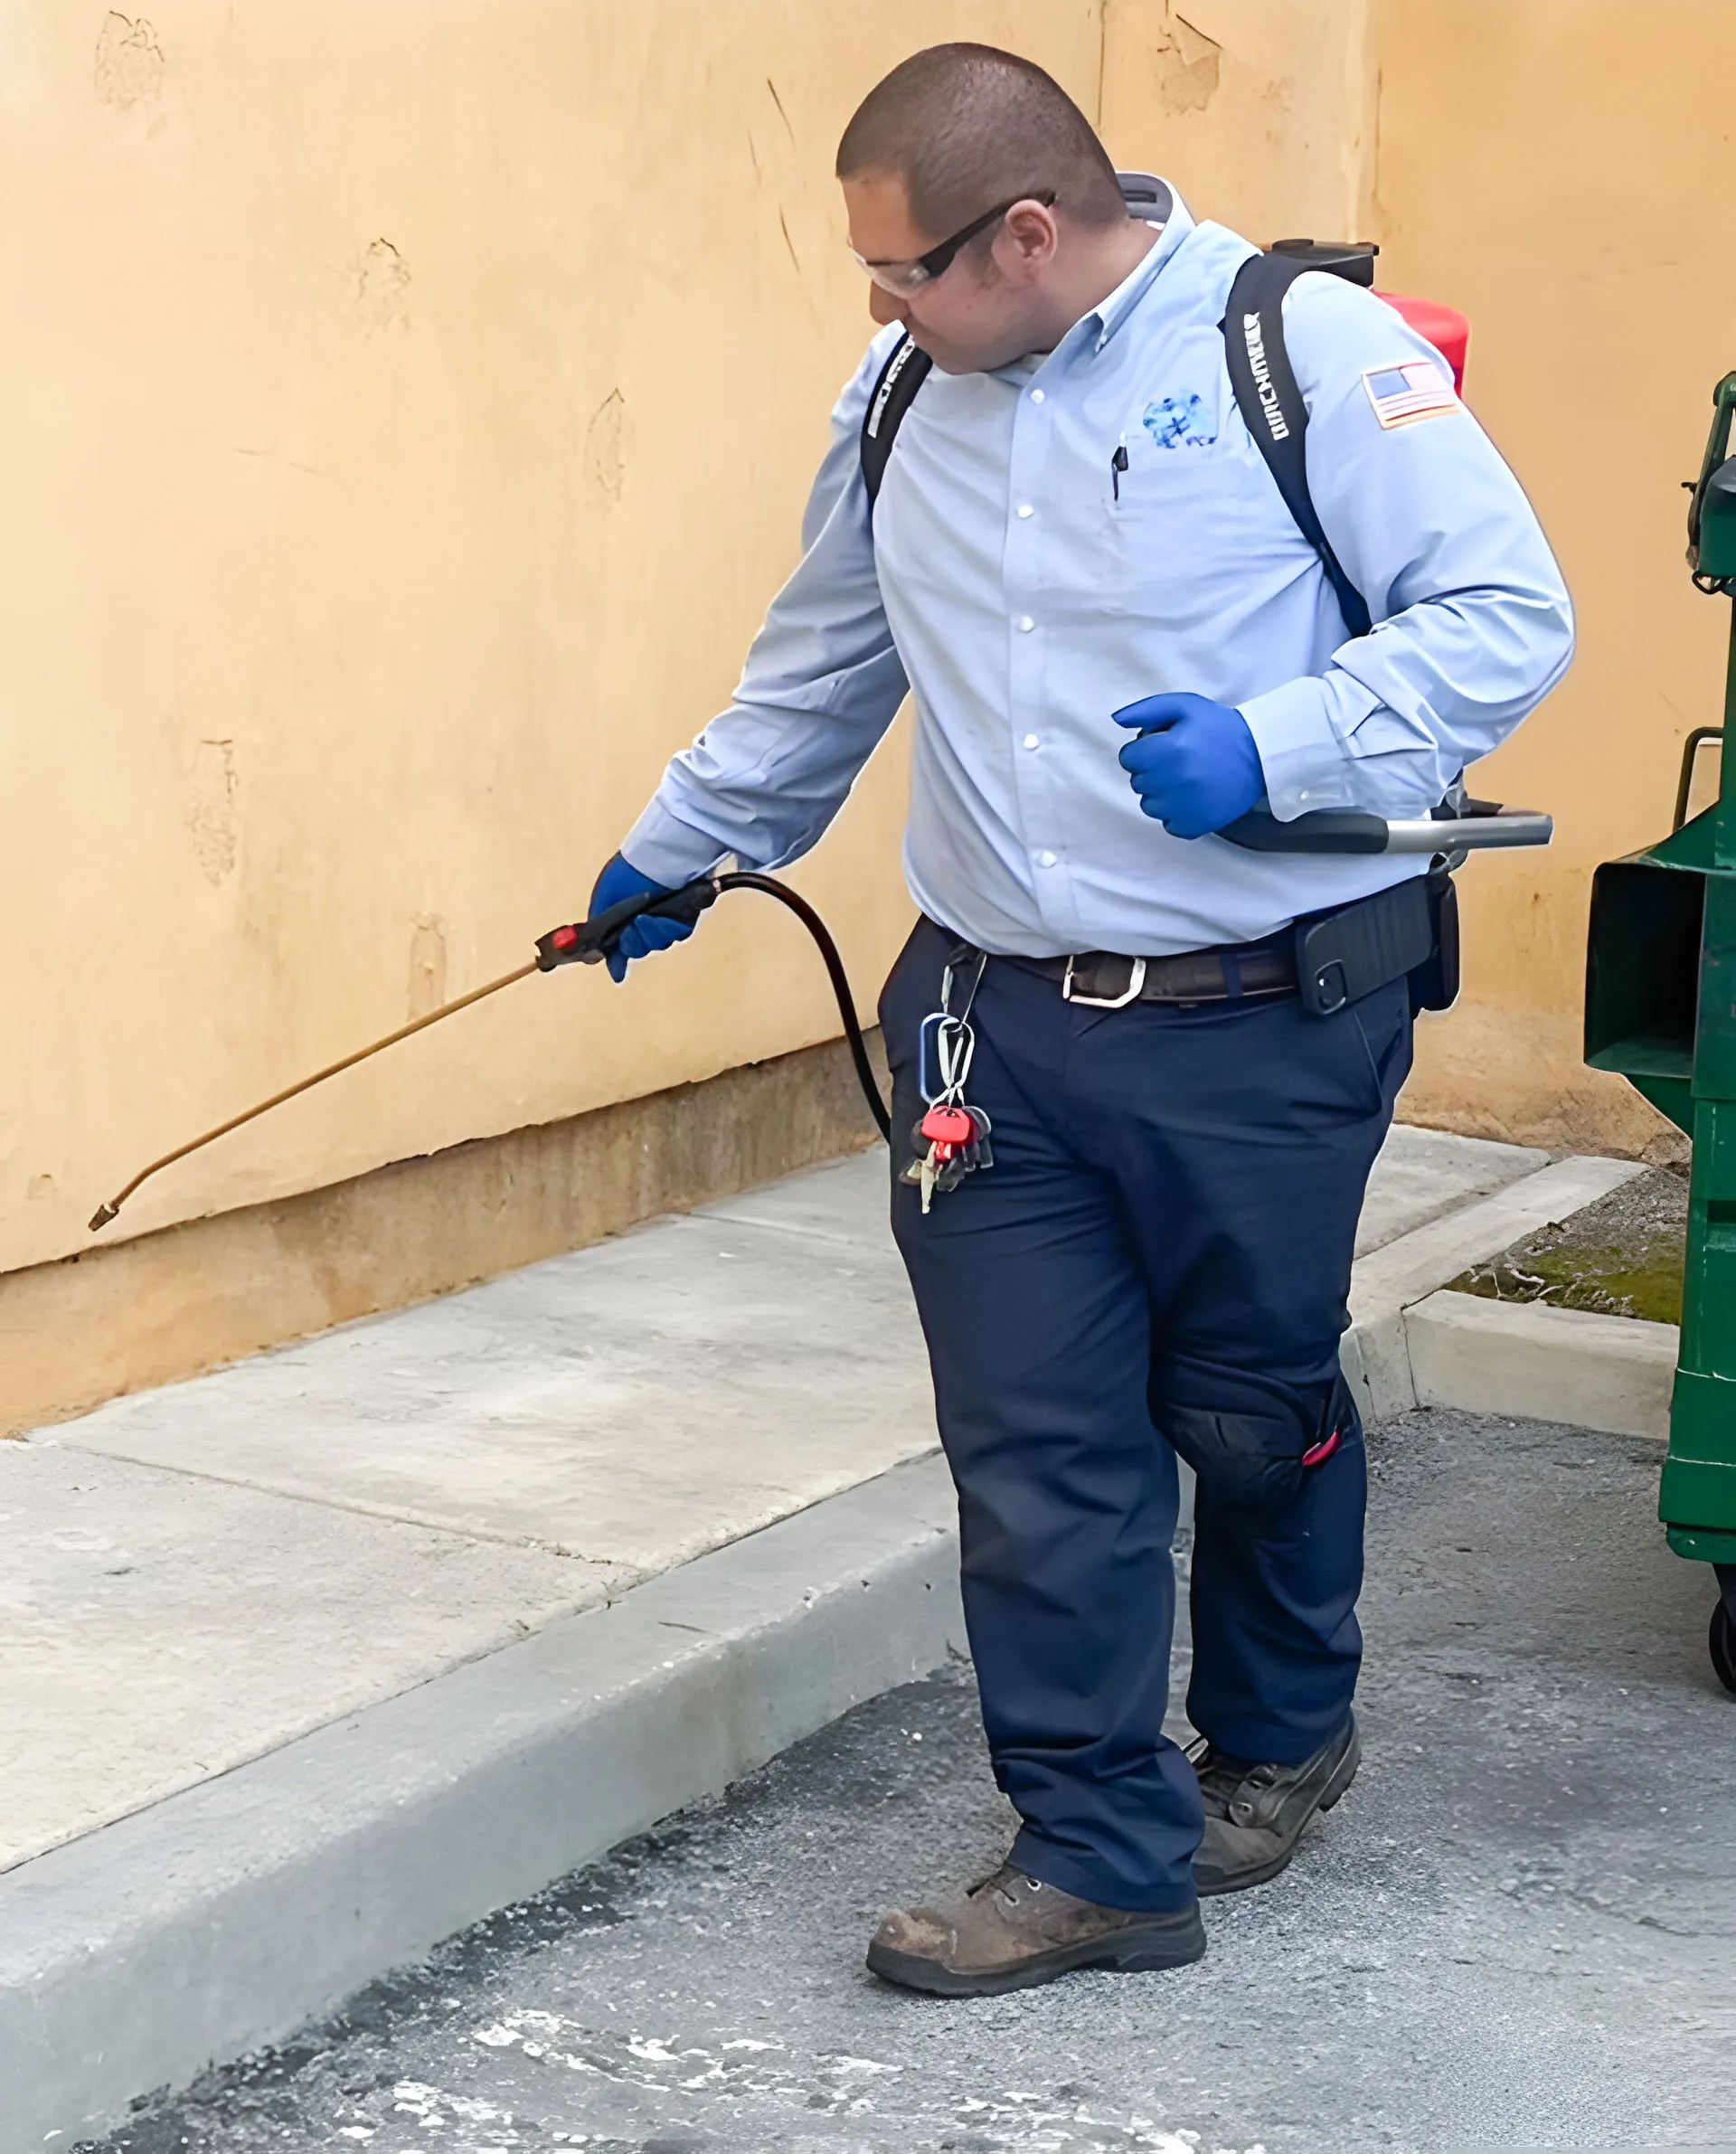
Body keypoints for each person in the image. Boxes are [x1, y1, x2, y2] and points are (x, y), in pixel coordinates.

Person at [586, 43, 1572, 1997]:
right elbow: (818, 676)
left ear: (1027, 234)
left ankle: (1282, 1737)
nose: (878, 313)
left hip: (1259, 1020)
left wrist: (1279, 742)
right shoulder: (901, 399)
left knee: (1243, 1406)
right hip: (988, 1023)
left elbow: (1501, 614)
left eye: (906, 275)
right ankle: (1102, 1850)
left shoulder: (1302, 353)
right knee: (1041, 1447)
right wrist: (673, 855)